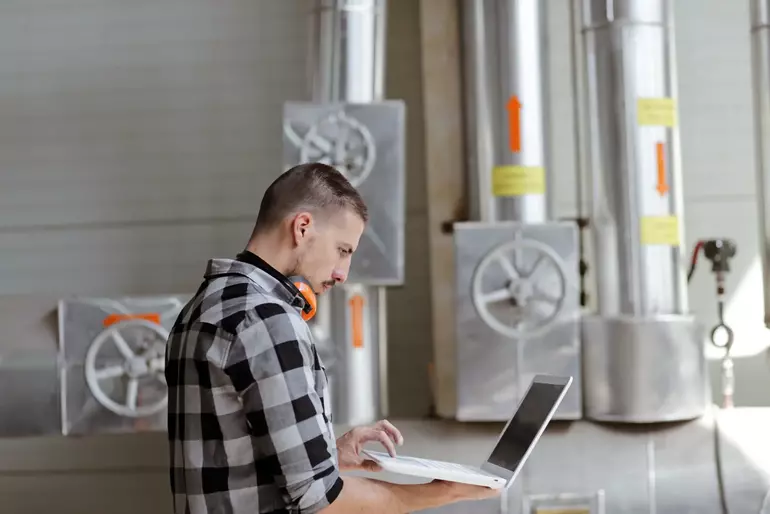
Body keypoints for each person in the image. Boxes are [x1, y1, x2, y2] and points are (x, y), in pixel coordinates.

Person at [165, 162, 499, 513]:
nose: (342, 274)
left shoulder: (200, 309)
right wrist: (444, 493)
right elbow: (319, 503)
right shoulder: (267, 321)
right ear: (303, 227)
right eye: (343, 250)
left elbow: (228, 463)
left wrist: (327, 454)